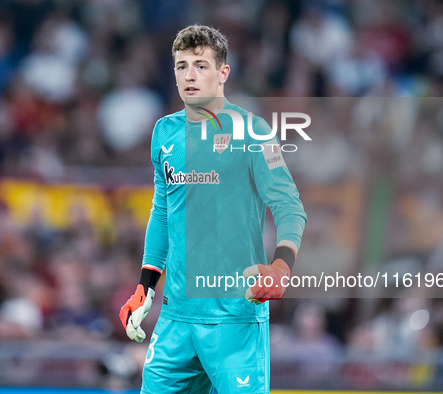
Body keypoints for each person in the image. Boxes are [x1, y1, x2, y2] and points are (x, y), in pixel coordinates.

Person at [119, 25, 307, 393]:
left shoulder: (255, 133)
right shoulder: (164, 133)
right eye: (181, 65)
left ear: (223, 73)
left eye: (201, 65)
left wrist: (282, 265)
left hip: (235, 319)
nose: (189, 75)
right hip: (176, 320)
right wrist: (145, 288)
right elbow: (162, 212)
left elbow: (289, 205)